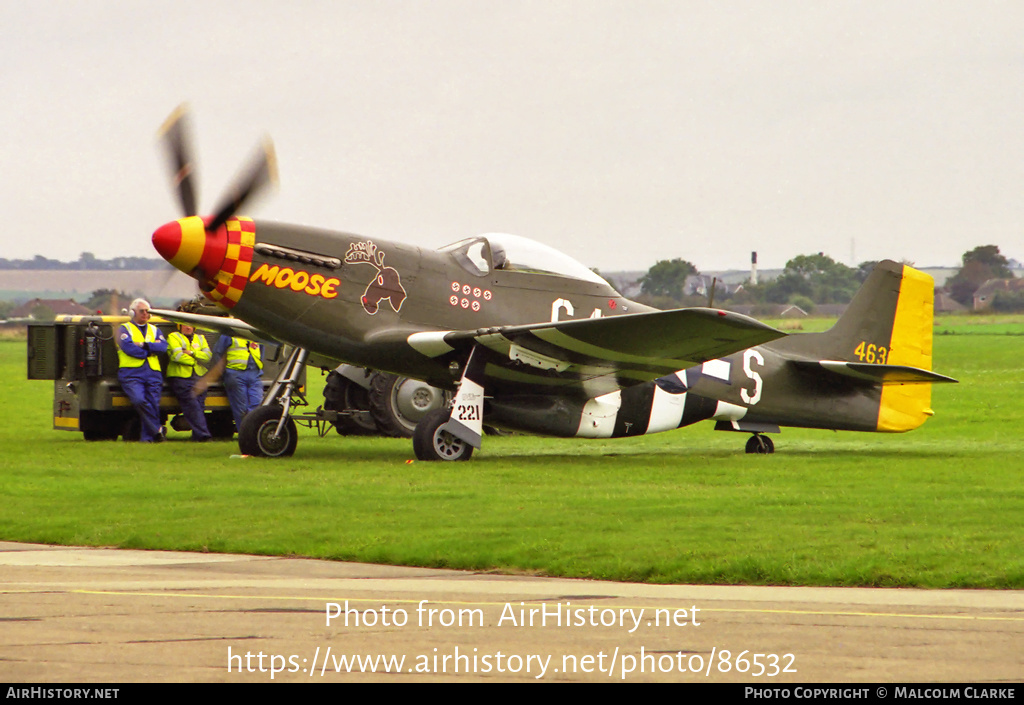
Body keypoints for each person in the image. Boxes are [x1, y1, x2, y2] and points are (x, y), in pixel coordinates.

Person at [116, 298, 168, 442]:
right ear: (133, 312)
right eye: (142, 311)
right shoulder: (124, 329)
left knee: (153, 403)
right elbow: (129, 348)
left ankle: (148, 438)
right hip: (131, 373)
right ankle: (157, 430)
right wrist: (150, 350)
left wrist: (143, 345)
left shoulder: (155, 329)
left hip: (153, 373)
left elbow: (163, 348)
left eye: (148, 311)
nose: (145, 314)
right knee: (139, 400)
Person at [197, 335, 264, 433]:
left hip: (254, 374)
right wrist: (223, 372)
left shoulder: (254, 332)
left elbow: (261, 349)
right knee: (241, 409)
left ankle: (254, 433)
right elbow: (217, 352)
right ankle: (245, 435)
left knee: (257, 404)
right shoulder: (229, 333)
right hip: (235, 374)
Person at [166, 322, 213, 441]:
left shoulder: (201, 338)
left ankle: (197, 437)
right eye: (184, 325)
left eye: (190, 325)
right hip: (181, 378)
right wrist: (195, 360)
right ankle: (204, 436)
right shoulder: (173, 337)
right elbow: (177, 356)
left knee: (200, 406)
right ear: (179, 326)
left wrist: (192, 353)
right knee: (193, 406)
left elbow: (208, 356)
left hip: (199, 377)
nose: (188, 327)